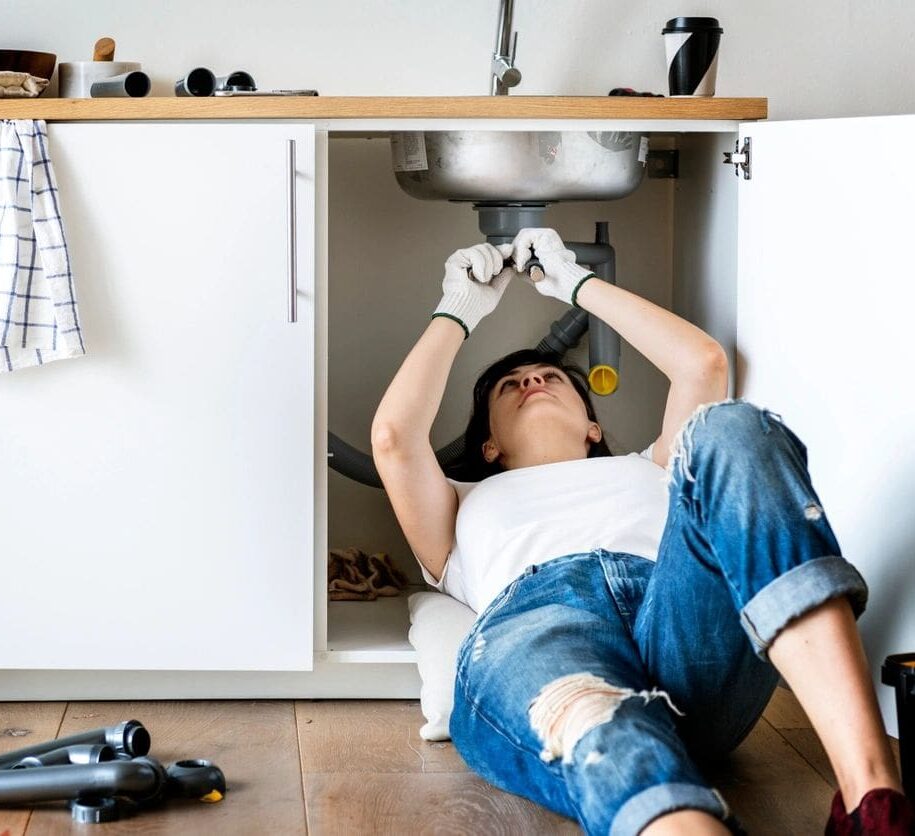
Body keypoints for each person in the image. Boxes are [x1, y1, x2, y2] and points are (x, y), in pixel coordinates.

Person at [371, 229, 914, 835]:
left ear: (594, 428)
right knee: (600, 726)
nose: (532, 381)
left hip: (684, 624)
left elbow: (702, 364)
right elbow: (393, 439)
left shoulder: (652, 465)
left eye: (552, 377)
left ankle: (872, 800)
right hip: (541, 629)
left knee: (730, 427)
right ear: (489, 443)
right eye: (510, 385)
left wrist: (577, 285)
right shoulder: (460, 504)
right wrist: (459, 310)